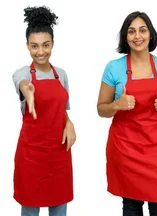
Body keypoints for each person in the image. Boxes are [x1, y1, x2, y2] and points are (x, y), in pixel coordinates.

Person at [96, 11, 157, 216]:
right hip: (126, 148)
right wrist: (117, 105)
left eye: (142, 30)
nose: (137, 36)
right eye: (131, 31)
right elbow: (101, 109)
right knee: (132, 207)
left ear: (150, 34)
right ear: (125, 37)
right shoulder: (113, 68)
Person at [12, 6, 76, 216]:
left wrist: (69, 123)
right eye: (34, 46)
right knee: (30, 209)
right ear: (27, 46)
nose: (40, 51)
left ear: (53, 44)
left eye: (45, 45)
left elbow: (63, 110)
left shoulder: (62, 75)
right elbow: (22, 83)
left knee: (59, 207)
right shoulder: (23, 74)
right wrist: (28, 91)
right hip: (32, 156)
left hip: (59, 154)